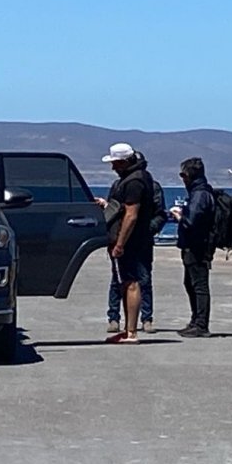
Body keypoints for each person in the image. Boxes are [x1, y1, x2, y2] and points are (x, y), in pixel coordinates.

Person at [94, 143, 156, 344]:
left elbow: (131, 215)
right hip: (136, 238)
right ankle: (128, 329)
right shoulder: (139, 177)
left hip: (132, 240)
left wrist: (120, 243)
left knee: (131, 282)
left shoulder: (134, 182)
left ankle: (131, 332)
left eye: (116, 163)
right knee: (125, 281)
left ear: (124, 162)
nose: (113, 167)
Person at [104, 152, 166, 334]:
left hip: (139, 240)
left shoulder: (143, 184)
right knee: (118, 280)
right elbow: (115, 209)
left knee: (142, 280)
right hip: (121, 237)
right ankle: (114, 318)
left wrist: (148, 231)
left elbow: (157, 214)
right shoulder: (119, 184)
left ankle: (145, 319)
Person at [171, 157, 216, 338]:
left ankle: (201, 323)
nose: (182, 179)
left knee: (199, 285)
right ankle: (196, 320)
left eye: (184, 175)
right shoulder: (200, 192)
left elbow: (192, 221)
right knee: (190, 283)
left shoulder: (200, 194)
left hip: (197, 245)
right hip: (195, 244)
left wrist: (179, 216)